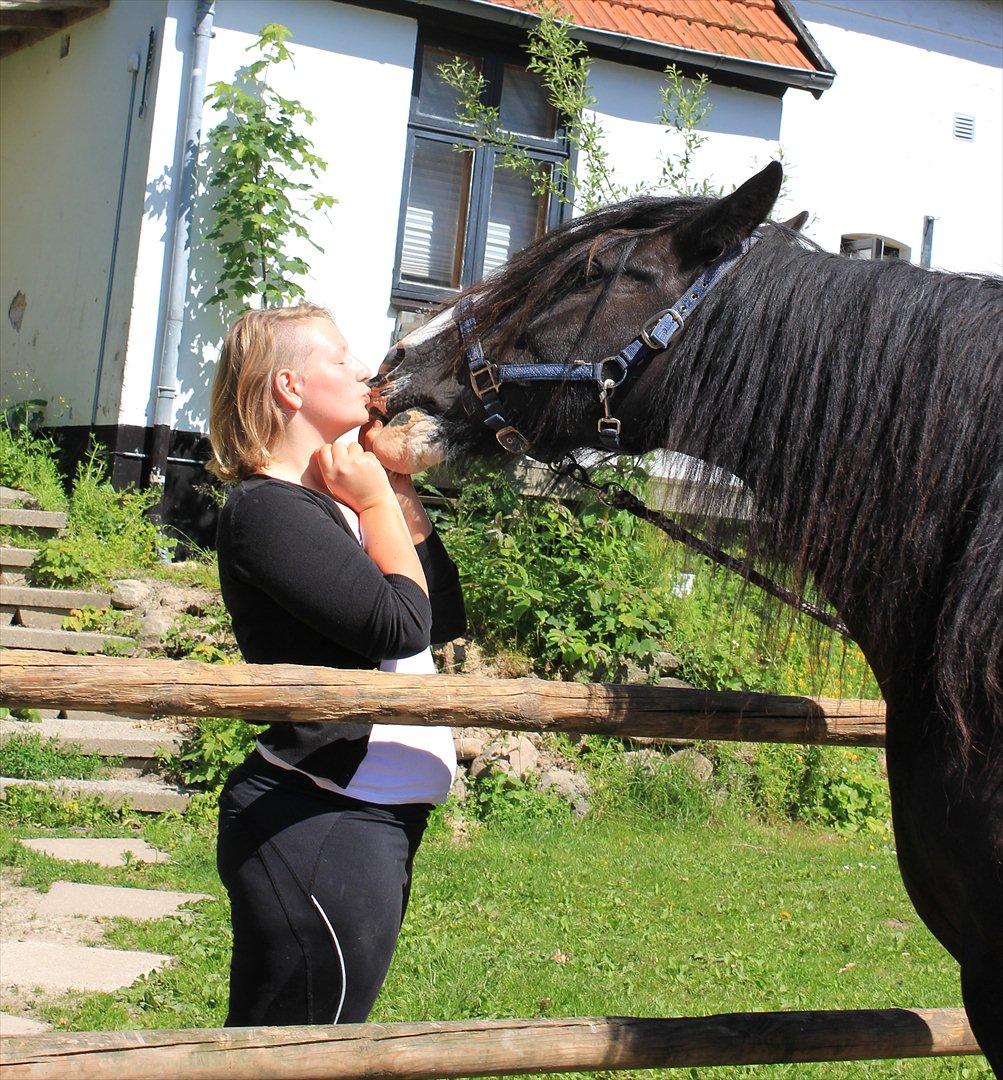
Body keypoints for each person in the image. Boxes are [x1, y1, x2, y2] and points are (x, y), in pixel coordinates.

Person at [208, 303, 465, 1026]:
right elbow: (398, 622)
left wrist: (397, 489)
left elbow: (438, 616)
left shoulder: (336, 502)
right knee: (294, 1053)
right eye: (339, 356)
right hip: (320, 818)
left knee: (312, 1044)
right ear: (289, 386)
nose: (364, 370)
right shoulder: (265, 509)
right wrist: (376, 497)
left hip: (368, 818)